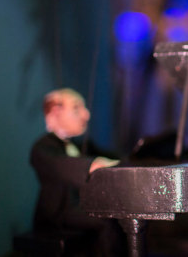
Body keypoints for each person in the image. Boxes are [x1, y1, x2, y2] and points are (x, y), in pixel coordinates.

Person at [30, 88, 124, 256]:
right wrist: (96, 165)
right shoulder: (42, 148)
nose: (86, 114)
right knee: (107, 220)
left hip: (80, 207)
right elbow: (64, 166)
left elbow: (114, 158)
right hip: (57, 214)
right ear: (55, 112)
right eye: (76, 108)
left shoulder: (81, 145)